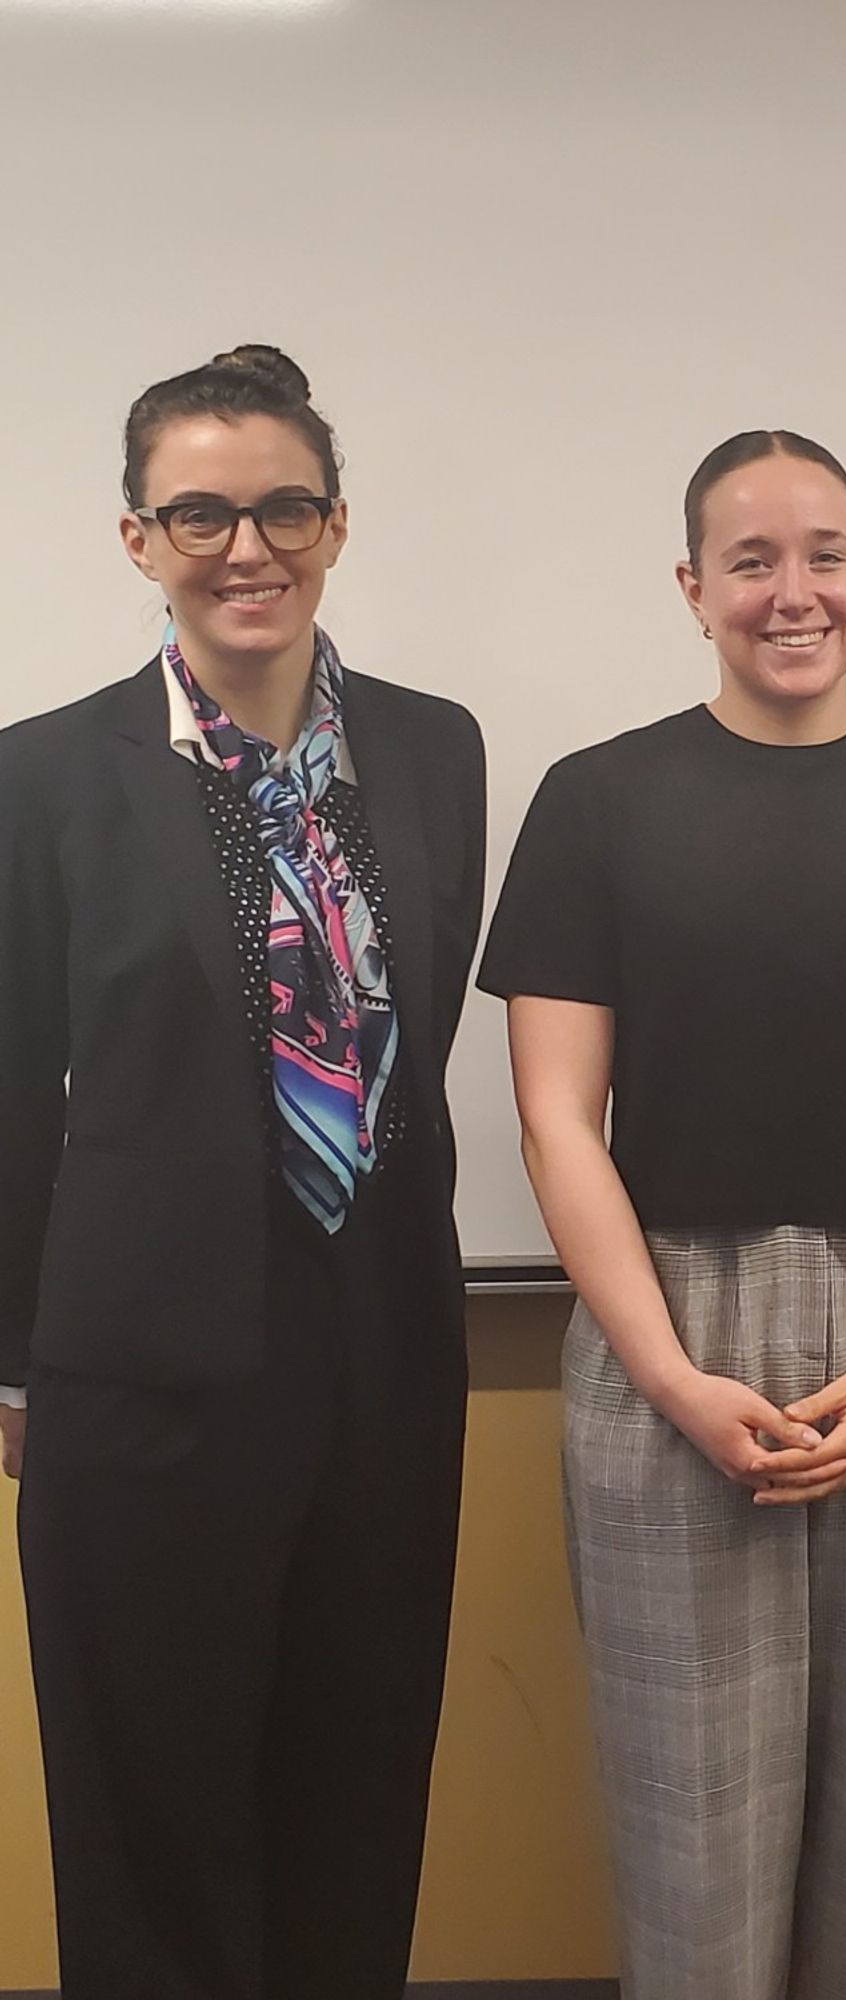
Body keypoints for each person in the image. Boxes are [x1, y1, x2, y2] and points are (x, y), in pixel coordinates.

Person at [477, 429, 846, 2000]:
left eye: (824, 554)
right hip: (665, 1330)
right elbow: (555, 1115)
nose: (791, 592)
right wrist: (669, 1375)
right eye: (750, 560)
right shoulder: (595, 802)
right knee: (696, 1847)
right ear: (692, 587)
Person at [0, 345, 486, 1999]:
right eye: (198, 513)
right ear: (137, 538)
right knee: (154, 1840)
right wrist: (9, 1369)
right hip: (139, 1389)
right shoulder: (45, 776)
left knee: (355, 1820)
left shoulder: (434, 753)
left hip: (386, 1372)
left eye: (284, 506)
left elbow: (404, 1051)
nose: (245, 546)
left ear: (336, 524)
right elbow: (6, 1094)